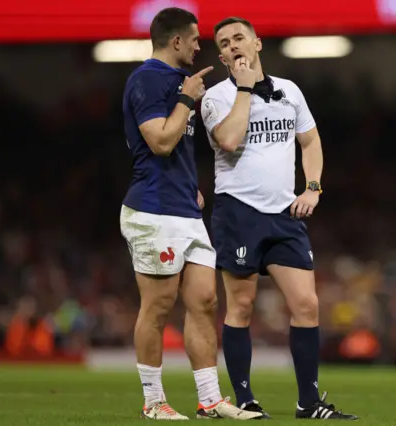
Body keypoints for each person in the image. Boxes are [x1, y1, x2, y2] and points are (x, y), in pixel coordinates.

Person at [201, 16, 359, 420]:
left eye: (240, 37)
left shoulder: (289, 91)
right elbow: (230, 140)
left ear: (257, 43)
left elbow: (310, 140)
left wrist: (313, 186)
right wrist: (245, 88)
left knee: (306, 304)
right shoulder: (216, 98)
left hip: (284, 212)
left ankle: (308, 403)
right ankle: (245, 398)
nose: (234, 45)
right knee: (241, 306)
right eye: (226, 42)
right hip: (238, 211)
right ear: (221, 55)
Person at [120, 8, 263, 421]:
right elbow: (161, 142)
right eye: (196, 39)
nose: (201, 46)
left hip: (184, 209)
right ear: (176, 41)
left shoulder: (177, 82)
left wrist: (190, 188)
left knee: (204, 301)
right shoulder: (147, 79)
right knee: (159, 305)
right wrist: (186, 97)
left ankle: (209, 400)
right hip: (152, 209)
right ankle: (153, 401)